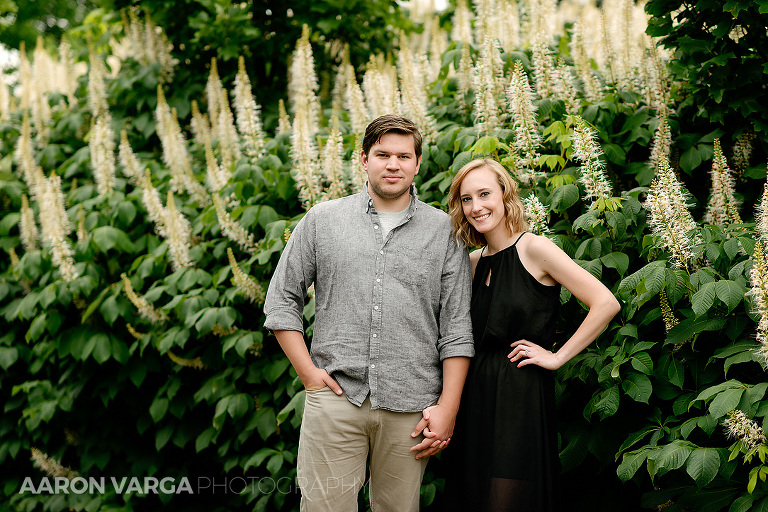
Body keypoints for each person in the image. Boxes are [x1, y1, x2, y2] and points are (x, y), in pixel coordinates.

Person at [263, 114, 474, 512]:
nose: (393, 164)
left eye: (403, 156)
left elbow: (457, 327)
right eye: (382, 154)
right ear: (364, 159)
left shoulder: (444, 232)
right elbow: (280, 302)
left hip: (412, 406)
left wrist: (448, 407)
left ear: (416, 164)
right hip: (336, 399)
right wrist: (310, 376)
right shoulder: (323, 221)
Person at [442, 158, 620, 512]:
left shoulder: (535, 248)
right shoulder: (472, 261)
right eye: (466, 199)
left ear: (505, 195)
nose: (476, 207)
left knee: (506, 501)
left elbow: (605, 303)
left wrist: (556, 357)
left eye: (485, 194)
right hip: (474, 395)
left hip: (518, 395)